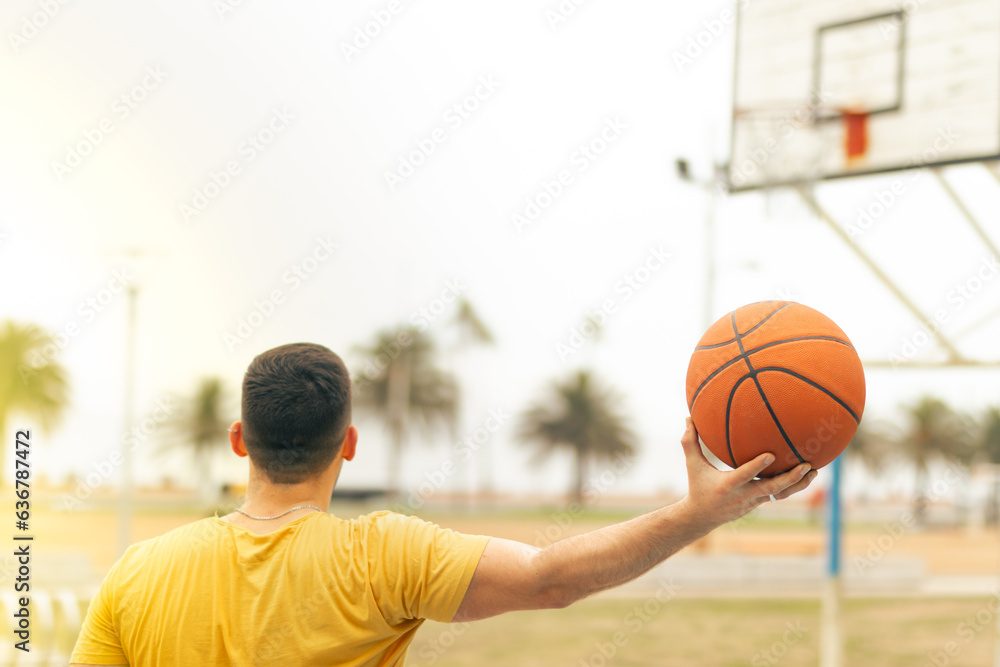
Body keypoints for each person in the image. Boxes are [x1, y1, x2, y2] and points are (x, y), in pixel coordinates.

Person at [70, 342, 817, 666]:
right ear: (349, 443)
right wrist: (698, 513)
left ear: (240, 437)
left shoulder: (137, 573)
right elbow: (550, 576)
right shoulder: (382, 554)